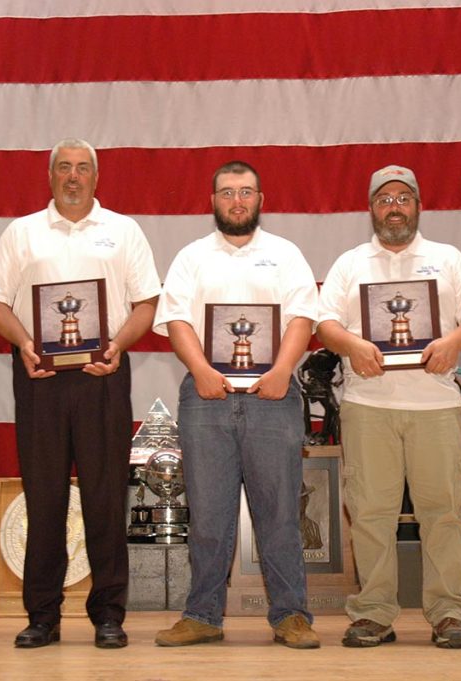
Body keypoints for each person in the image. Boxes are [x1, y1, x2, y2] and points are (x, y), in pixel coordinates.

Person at [0, 138, 160, 649]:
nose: (74, 177)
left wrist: (118, 345)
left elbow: (147, 302)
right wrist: (22, 343)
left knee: (105, 496)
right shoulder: (22, 233)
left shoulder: (123, 231)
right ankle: (42, 615)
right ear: (51, 176)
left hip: (102, 375)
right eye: (64, 168)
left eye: (83, 168)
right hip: (41, 379)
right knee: (45, 499)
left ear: (96, 177)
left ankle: (108, 613)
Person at [315, 165, 461, 649]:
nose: (394, 207)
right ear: (371, 209)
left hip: (434, 405)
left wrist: (455, 341)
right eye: (384, 199)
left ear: (418, 205)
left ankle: (449, 613)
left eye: (403, 198)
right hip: (367, 404)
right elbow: (324, 323)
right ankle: (373, 613)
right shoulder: (351, 263)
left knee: (443, 512)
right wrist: (352, 345)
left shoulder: (447, 258)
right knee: (371, 512)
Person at [153, 161, 321, 649]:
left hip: (273, 397)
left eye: (246, 192)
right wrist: (203, 371)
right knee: (206, 515)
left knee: (280, 514)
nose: (237, 200)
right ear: (213, 201)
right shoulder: (191, 257)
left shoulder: (286, 254)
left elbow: (302, 318)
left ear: (261, 199)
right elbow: (177, 321)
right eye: (227, 192)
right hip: (207, 398)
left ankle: (291, 616)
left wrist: (283, 371)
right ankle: (202, 614)